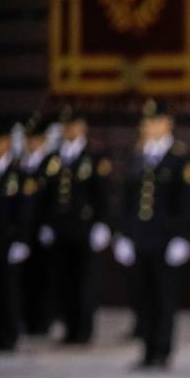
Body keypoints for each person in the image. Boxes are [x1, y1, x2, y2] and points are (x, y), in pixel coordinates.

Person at [113, 99, 190, 370]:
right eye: (147, 122)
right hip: (139, 237)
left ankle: (162, 350)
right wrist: (122, 234)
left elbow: (186, 201)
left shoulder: (179, 157)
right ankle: (146, 349)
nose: (151, 127)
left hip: (166, 238)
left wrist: (182, 237)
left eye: (156, 121)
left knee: (164, 296)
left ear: (168, 123)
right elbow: (126, 198)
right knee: (142, 295)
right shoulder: (137, 155)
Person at [47, 106, 113, 346]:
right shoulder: (56, 156)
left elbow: (103, 193)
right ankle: (69, 328)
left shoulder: (94, 154)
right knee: (65, 281)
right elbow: (50, 193)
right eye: (66, 126)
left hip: (86, 228)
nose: (69, 130)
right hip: (62, 228)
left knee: (85, 282)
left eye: (73, 125)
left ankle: (84, 330)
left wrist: (103, 224)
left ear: (82, 127)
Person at [8, 114, 58, 338]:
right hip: (21, 229)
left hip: (43, 228)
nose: (31, 143)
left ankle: (42, 320)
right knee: (23, 279)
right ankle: (25, 319)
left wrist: (50, 224)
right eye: (29, 139)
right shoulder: (19, 164)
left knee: (44, 277)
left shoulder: (52, 163)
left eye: (36, 139)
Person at [0, 117, 23, 351]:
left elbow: (25, 209)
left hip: (8, 239)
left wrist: (21, 239)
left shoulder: (16, 172)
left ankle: (9, 334)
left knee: (8, 290)